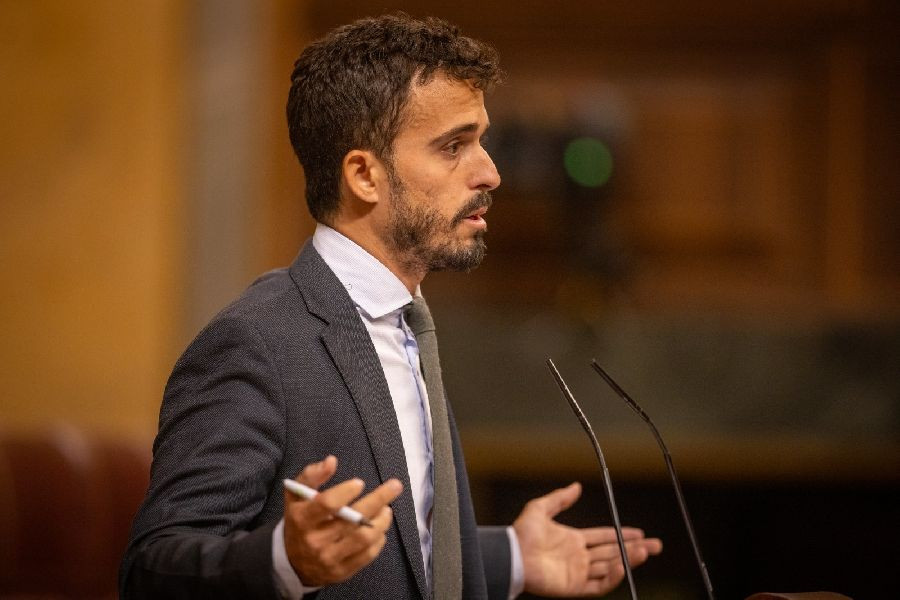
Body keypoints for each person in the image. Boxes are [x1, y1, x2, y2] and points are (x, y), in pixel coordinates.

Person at [120, 13, 662, 599]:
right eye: (453, 146)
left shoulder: (407, 322)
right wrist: (284, 561)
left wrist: (509, 556)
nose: (490, 173)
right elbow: (153, 569)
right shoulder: (257, 343)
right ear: (364, 175)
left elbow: (398, 542)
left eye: (482, 141)